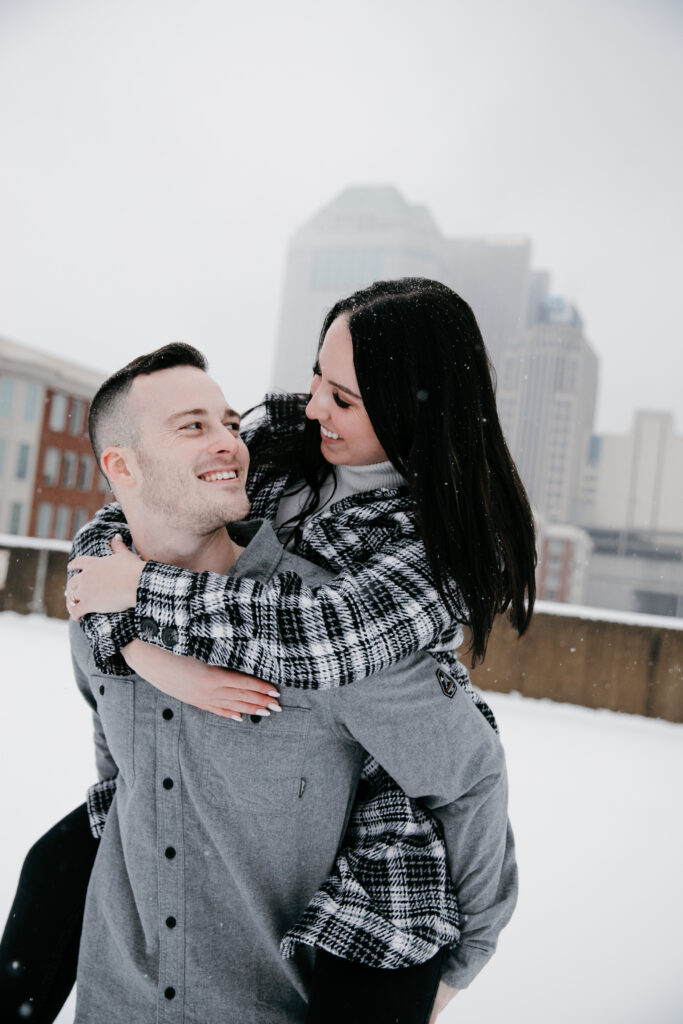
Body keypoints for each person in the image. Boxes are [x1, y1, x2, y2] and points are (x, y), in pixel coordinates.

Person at [1, 278, 534, 1022]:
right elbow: (130, 510)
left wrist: (467, 954)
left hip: (363, 863)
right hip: (140, 962)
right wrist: (139, 645)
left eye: (344, 398)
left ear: (416, 410)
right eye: (318, 375)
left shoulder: (424, 551)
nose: (315, 404)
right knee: (60, 864)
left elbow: (326, 639)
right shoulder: (283, 444)